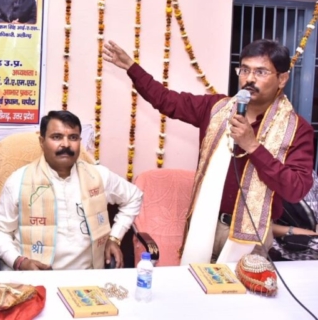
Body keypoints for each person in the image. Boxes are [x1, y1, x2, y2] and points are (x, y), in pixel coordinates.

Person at [103, 39, 315, 265]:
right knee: (196, 289)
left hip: (253, 234)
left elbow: (295, 188)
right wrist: (131, 68)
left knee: (242, 297)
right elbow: (167, 101)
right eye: (244, 70)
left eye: (261, 71)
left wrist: (253, 146)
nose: (249, 78)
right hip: (205, 225)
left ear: (282, 78)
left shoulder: (296, 129)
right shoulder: (216, 109)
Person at [0, 110, 143, 270]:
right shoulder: (18, 181)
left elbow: (134, 196)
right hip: (34, 279)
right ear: (42, 142)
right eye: (57, 137)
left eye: (73, 137)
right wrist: (19, 262)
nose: (66, 144)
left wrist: (115, 238)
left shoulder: (98, 175)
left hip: (87, 280)